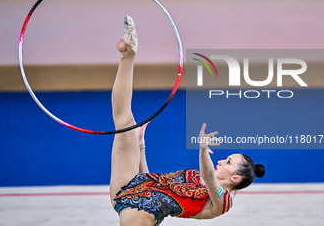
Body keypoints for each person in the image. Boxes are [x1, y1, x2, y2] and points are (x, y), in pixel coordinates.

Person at [110, 16, 265, 226]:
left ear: (235, 179)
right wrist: (141, 145)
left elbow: (209, 177)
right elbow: (152, 180)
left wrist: (202, 151)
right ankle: (128, 55)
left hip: (139, 215)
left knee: (126, 122)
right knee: (126, 121)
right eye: (226, 158)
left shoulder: (222, 201)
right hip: (128, 186)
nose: (221, 161)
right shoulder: (198, 176)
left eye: (229, 162)